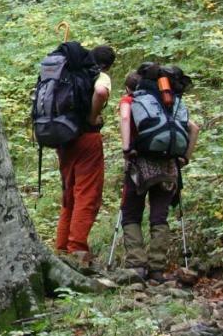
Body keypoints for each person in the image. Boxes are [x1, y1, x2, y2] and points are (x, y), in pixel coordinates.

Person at [119, 63, 201, 281]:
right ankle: (157, 268)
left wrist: (127, 149)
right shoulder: (170, 102)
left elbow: (126, 118)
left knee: (131, 212)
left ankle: (136, 264)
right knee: (159, 215)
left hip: (140, 164)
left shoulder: (132, 100)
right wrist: (185, 158)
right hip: (169, 165)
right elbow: (194, 128)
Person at [55, 44, 115, 267]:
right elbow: (100, 92)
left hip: (63, 137)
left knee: (69, 193)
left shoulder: (69, 73)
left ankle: (61, 248)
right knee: (86, 192)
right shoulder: (100, 76)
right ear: (108, 65)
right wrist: (92, 116)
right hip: (87, 138)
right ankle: (77, 248)